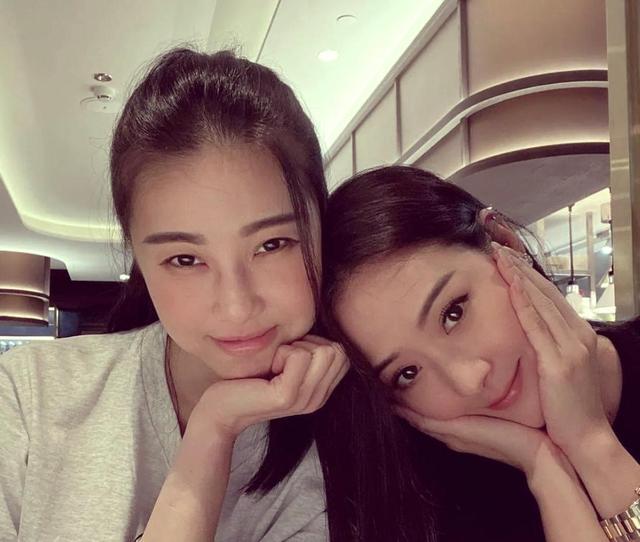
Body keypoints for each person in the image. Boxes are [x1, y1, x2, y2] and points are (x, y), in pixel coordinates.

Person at [0, 49, 436, 542]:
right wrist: (212, 430)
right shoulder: (29, 395)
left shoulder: (360, 442)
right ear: (139, 258)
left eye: (272, 245)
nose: (236, 306)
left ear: (321, 230)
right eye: (185, 259)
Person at [322, 165, 640, 542]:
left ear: (504, 242)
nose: (468, 379)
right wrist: (544, 469)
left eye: (453, 313)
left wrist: (590, 443)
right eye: (407, 373)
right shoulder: (429, 503)